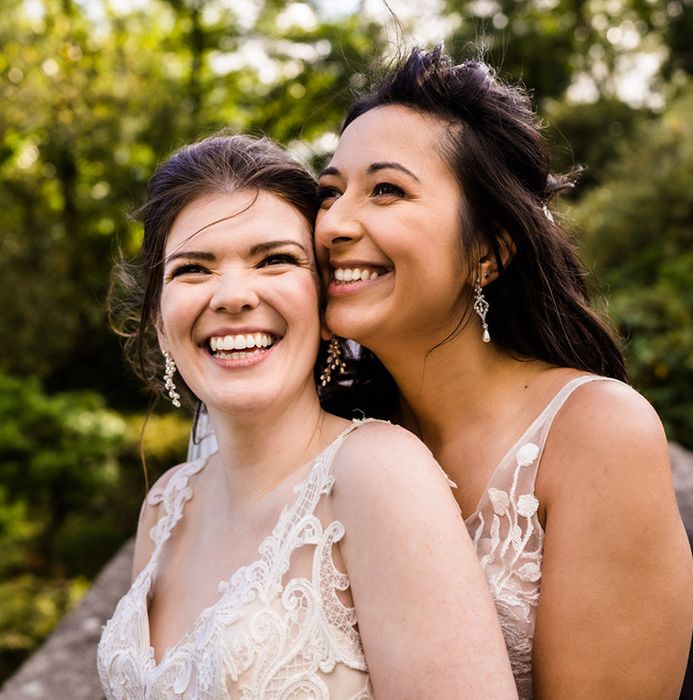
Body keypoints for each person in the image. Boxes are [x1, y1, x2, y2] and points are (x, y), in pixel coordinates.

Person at [313, 46, 693, 699]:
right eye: (328, 192)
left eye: (386, 189)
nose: (334, 224)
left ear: (488, 252)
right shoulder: (331, 436)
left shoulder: (597, 434)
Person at [97, 134, 519, 698]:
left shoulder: (377, 475)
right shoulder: (166, 505)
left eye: (274, 260)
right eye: (193, 270)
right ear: (158, 320)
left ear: (324, 310)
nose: (233, 296)